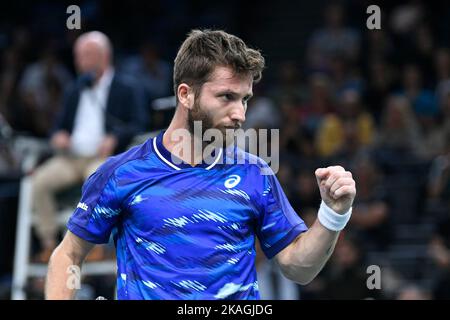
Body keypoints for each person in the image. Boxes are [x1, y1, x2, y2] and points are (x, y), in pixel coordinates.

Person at [45, 29, 356, 300]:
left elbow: (297, 267)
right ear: (186, 95)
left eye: (244, 99)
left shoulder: (255, 173)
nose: (240, 114)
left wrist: (332, 214)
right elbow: (69, 253)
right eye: (226, 97)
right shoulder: (121, 173)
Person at [32, 31, 146, 262]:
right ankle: (48, 244)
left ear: (103, 56)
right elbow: (58, 127)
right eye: (77, 56)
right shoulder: (75, 89)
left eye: (85, 55)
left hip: (102, 156)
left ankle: (91, 244)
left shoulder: (126, 87)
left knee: (96, 178)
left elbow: (139, 123)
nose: (79, 62)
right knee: (38, 182)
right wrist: (59, 136)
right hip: (70, 157)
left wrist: (115, 138)